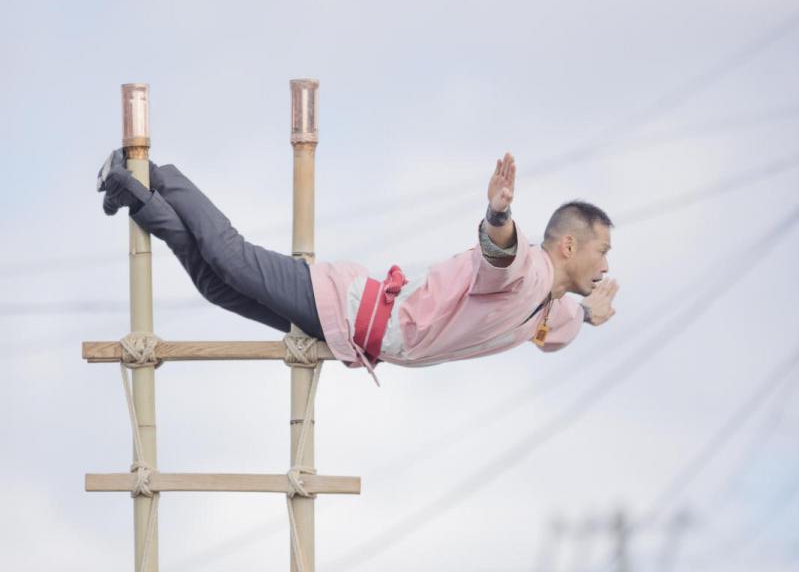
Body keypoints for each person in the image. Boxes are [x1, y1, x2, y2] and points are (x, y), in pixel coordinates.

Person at [97, 150, 618, 374]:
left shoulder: (546, 307)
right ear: (568, 246)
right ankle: (157, 173)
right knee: (231, 260)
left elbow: (553, 331)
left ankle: (137, 194)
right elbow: (498, 255)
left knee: (218, 286)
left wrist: (592, 315)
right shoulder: (529, 268)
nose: (605, 266)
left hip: (351, 335)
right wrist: (498, 212)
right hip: (351, 309)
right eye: (602, 251)